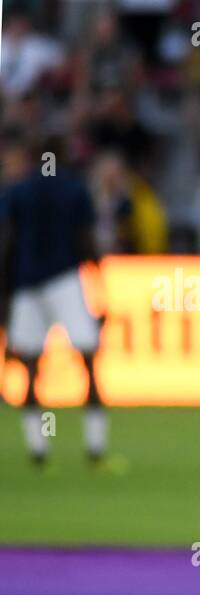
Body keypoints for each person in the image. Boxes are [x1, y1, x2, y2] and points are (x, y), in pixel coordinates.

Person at [0, 136, 116, 469]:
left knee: (32, 368)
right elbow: (87, 240)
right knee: (89, 362)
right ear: (62, 156)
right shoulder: (72, 189)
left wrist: (6, 293)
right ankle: (95, 448)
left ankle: (38, 448)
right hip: (65, 280)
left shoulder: (18, 192)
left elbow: (6, 243)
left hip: (27, 285)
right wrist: (100, 284)